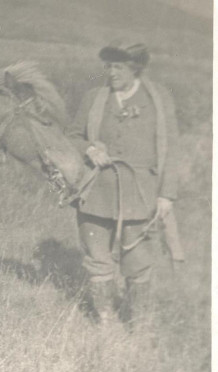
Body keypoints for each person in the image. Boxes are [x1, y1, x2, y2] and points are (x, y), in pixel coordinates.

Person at [68, 40, 179, 324]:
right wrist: (90, 150)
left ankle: (137, 322)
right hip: (96, 192)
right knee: (97, 258)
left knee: (138, 262)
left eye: (118, 67)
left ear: (136, 69)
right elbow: (73, 137)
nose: (111, 73)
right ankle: (105, 320)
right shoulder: (95, 98)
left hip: (140, 195)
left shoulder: (158, 101)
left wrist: (166, 195)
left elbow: (171, 149)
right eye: (108, 66)